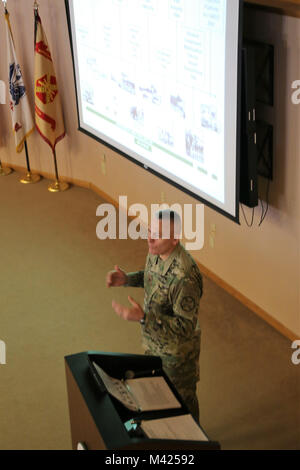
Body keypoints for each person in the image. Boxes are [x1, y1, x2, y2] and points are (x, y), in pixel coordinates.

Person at [106, 209, 203, 421]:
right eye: (150, 230)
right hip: (154, 344)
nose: (149, 238)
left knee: (183, 406)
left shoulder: (185, 277)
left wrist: (143, 319)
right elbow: (151, 278)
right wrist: (128, 280)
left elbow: (185, 328)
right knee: (159, 397)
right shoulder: (156, 251)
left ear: (175, 239)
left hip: (176, 357)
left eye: (157, 234)